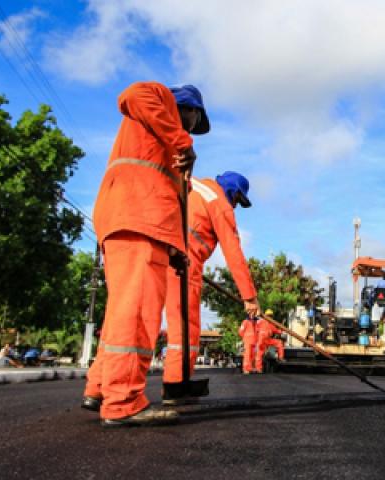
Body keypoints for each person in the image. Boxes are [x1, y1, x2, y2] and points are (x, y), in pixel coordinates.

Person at [81, 82, 208, 427]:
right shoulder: (161, 102)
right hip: (138, 217)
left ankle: (100, 388)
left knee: (121, 311)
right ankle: (123, 401)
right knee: (138, 312)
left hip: (130, 219)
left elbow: (173, 201)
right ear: (188, 108)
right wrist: (182, 140)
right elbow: (132, 94)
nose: (194, 126)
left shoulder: (164, 146)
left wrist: (179, 249)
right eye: (195, 118)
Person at [162, 171, 260, 400]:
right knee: (185, 328)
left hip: (157, 249)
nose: (235, 207)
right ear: (232, 192)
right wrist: (249, 296)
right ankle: (175, 386)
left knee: (135, 319)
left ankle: (101, 388)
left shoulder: (192, 183)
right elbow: (233, 252)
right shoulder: (220, 203)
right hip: (184, 264)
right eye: (237, 201)